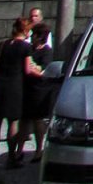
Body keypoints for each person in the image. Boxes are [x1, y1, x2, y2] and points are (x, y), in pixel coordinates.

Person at [0, 17, 43, 169]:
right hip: (14, 86)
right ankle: (11, 157)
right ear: (25, 30)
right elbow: (27, 69)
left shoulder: (2, 44)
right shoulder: (25, 47)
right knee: (13, 122)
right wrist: (40, 71)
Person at [20, 22, 57, 161]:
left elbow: (42, 70)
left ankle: (39, 149)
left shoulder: (46, 51)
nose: (32, 37)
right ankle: (19, 149)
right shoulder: (28, 49)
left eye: (34, 34)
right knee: (24, 121)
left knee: (38, 121)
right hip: (27, 87)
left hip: (40, 90)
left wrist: (33, 67)